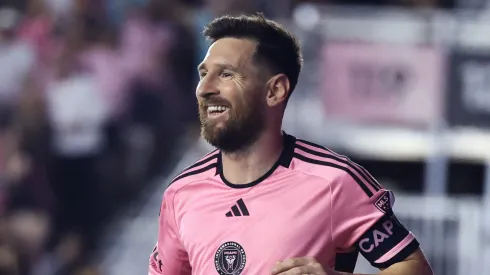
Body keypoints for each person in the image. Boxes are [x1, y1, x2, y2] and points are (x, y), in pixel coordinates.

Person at [148, 13, 433, 275]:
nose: (205, 88)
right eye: (203, 73)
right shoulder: (180, 194)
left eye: (226, 74)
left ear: (275, 90)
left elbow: (414, 267)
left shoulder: (335, 181)